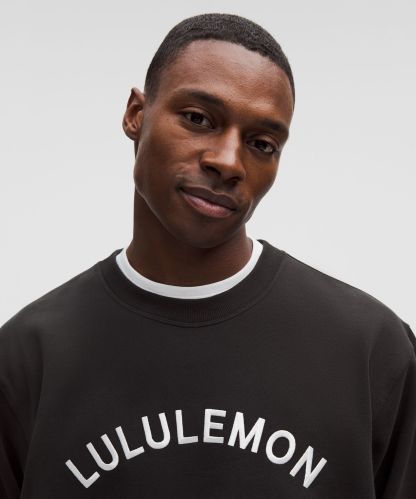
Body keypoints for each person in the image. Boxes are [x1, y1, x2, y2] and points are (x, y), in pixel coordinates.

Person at [0, 12, 415, 499]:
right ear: (136, 114)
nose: (228, 162)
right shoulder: (25, 360)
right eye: (198, 119)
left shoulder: (372, 351)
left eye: (261, 144)